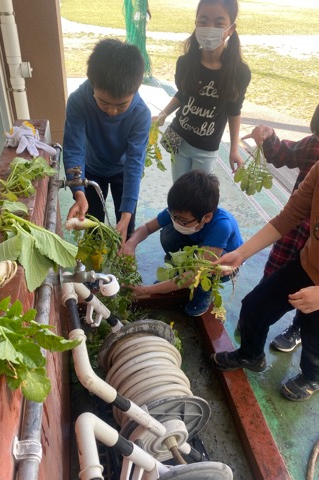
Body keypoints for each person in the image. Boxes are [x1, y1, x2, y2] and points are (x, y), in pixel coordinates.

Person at [211, 160, 319, 401]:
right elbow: (288, 217)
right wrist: (241, 253)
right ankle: (251, 355)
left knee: (315, 340)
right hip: (306, 264)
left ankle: (311, 377)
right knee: (254, 306)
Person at [237, 104, 319, 353]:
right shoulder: (316, 159)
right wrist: (241, 253)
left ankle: (308, 366)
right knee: (261, 297)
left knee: (314, 330)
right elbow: (290, 215)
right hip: (303, 248)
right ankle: (252, 345)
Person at [63, 38, 151, 246]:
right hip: (91, 169)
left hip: (123, 172)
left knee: (125, 225)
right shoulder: (78, 101)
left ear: (136, 89)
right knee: (92, 223)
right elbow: (74, 149)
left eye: (121, 105)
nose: (111, 111)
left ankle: (125, 260)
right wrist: (78, 192)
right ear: (92, 84)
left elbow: (134, 163)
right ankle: (94, 265)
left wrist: (127, 213)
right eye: (103, 102)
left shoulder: (140, 114)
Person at [153, 0, 251, 182]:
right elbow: (183, 94)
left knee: (197, 198)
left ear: (231, 28)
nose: (209, 27)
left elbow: (234, 110)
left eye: (219, 23)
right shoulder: (185, 63)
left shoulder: (239, 73)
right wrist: (163, 114)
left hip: (206, 149)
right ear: (196, 23)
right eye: (203, 21)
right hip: (179, 139)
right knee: (179, 190)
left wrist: (234, 149)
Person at [123, 170, 243, 316]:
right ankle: (177, 275)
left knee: (210, 270)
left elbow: (195, 273)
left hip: (222, 264)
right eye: (174, 216)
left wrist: (145, 290)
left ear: (207, 217)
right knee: (168, 233)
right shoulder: (180, 211)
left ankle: (203, 292)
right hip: (196, 249)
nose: (176, 220)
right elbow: (147, 228)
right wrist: (130, 244)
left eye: (182, 220)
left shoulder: (222, 226)